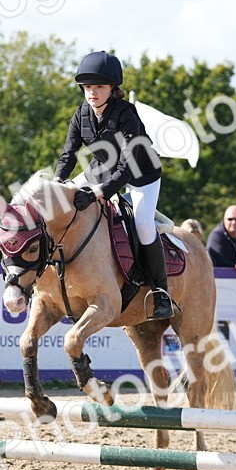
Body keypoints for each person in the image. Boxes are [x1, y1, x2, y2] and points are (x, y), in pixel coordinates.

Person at [53, 50, 171, 319]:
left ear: (112, 89)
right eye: (88, 87)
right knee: (63, 200)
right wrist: (59, 182)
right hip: (102, 169)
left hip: (141, 175)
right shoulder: (81, 114)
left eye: (99, 87)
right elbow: (69, 154)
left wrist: (98, 194)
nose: (92, 92)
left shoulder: (126, 115)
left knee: (142, 224)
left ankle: (161, 292)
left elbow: (127, 168)